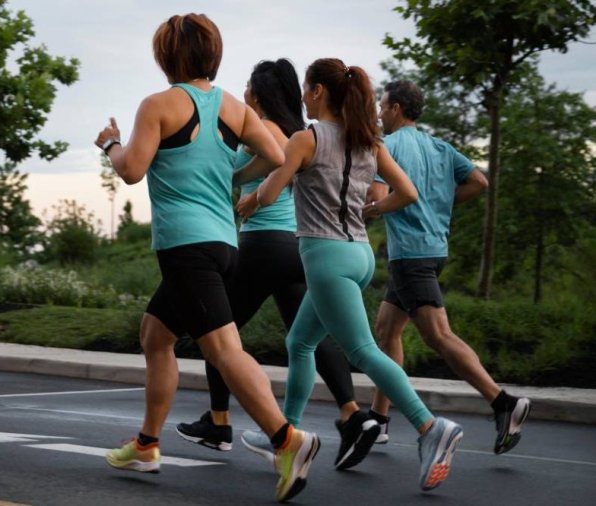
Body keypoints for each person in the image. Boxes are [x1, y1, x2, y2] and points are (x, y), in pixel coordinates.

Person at [93, 14, 319, 502]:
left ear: (166, 56)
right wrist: (234, 177)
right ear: (211, 55)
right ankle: (148, 444)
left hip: (186, 247)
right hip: (223, 242)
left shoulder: (158, 105)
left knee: (222, 349)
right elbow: (278, 156)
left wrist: (110, 143)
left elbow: (132, 170)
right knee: (156, 335)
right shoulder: (234, 108)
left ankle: (288, 440)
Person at [237, 58, 463, 492]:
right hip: (360, 255)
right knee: (299, 342)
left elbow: (268, 189)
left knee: (362, 350)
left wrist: (251, 201)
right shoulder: (367, 140)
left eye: (306, 88)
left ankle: (430, 427)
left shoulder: (307, 138)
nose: (302, 96)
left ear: (319, 91)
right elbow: (408, 192)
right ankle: (287, 434)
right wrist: (371, 210)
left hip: (325, 256)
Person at [174, 58, 377, 472]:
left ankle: (218, 422)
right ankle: (352, 414)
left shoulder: (265, 130)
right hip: (296, 249)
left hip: (264, 245)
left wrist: (235, 178)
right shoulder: (297, 130)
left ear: (259, 93)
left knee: (217, 331)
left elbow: (252, 165)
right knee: (309, 338)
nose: (244, 92)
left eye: (249, 87)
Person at [367, 80, 530, 454]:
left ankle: (502, 401)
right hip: (433, 250)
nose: (378, 113)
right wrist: (440, 203)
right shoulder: (439, 146)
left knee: (438, 336)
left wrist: (367, 208)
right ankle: (379, 418)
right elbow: (478, 181)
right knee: (386, 330)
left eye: (382, 106)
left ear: (395, 109)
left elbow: (376, 197)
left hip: (411, 254)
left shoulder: (388, 147)